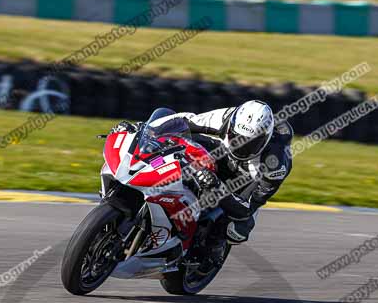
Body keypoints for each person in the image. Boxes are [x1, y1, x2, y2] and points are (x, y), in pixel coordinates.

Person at [113, 100, 293, 244]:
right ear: (231, 127)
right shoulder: (225, 118)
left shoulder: (274, 166)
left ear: (264, 139)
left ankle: (209, 249)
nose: (240, 145)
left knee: (237, 230)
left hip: (247, 178)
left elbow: (248, 207)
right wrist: (144, 130)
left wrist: (216, 186)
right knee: (168, 123)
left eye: (249, 142)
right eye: (237, 137)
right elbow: (183, 120)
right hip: (221, 151)